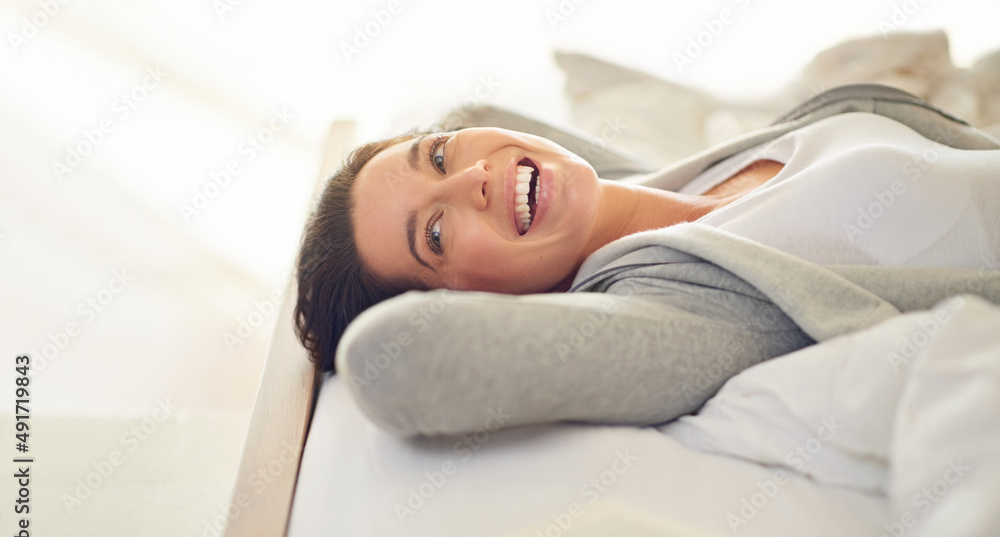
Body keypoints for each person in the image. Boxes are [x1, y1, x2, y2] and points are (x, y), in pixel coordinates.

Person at [295, 84, 1000, 436]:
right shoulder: (689, 307)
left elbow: (479, 112)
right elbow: (396, 362)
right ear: (459, 301)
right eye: (437, 235)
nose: (469, 179)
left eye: (441, 156)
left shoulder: (670, 179)